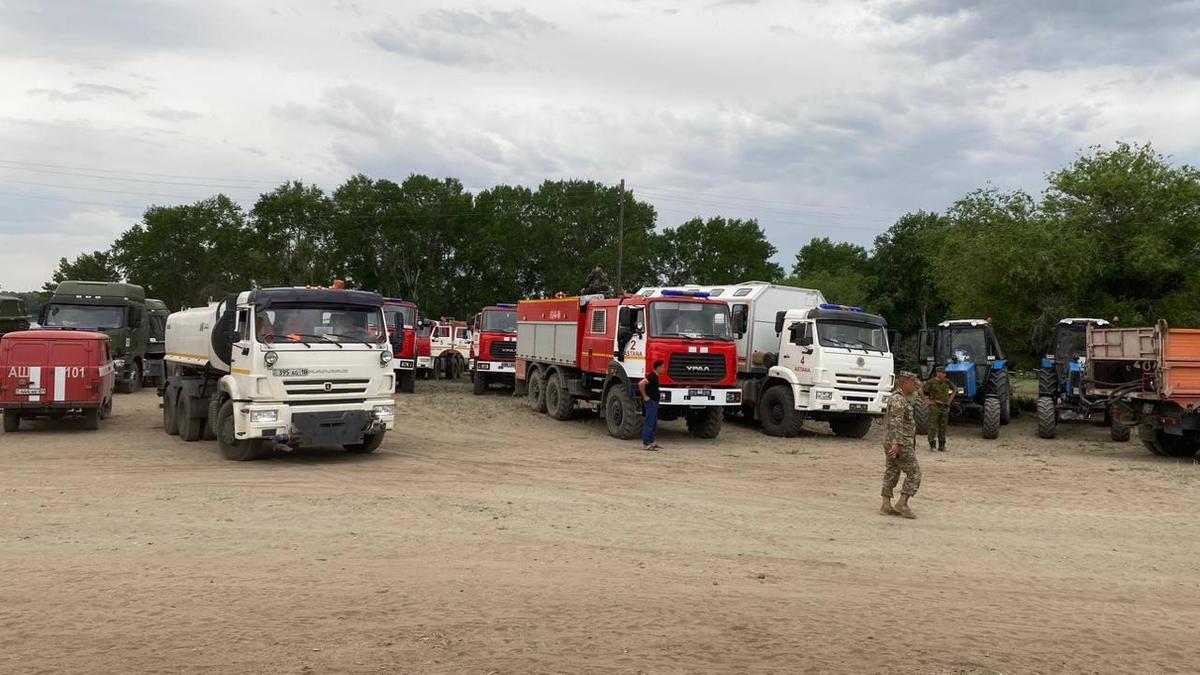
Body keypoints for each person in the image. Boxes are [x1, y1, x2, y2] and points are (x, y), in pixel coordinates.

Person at [881, 371, 922, 519]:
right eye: (913, 383)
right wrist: (897, 444)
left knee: (892, 471)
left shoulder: (899, 398)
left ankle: (885, 505)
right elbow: (896, 423)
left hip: (892, 442)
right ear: (905, 383)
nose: (915, 386)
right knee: (915, 474)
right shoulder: (899, 400)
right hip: (900, 443)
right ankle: (902, 504)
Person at [921, 366, 955, 452]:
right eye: (943, 373)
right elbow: (921, 390)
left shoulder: (947, 382)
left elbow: (955, 389)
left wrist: (950, 400)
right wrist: (926, 401)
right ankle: (932, 445)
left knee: (943, 427)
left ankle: (942, 445)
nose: (944, 375)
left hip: (944, 407)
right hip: (935, 407)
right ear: (938, 373)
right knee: (932, 426)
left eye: (945, 373)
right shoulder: (932, 382)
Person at [639, 360, 665, 451]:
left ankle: (651, 442)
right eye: (663, 367)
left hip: (655, 402)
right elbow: (641, 383)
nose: (664, 369)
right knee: (649, 423)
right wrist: (645, 396)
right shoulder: (652, 376)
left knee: (653, 423)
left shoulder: (656, 376)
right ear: (658, 368)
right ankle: (646, 444)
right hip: (651, 402)